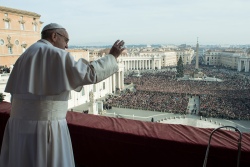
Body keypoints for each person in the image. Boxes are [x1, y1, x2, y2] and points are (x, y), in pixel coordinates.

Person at [0, 23, 125, 167]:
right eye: (66, 40)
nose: (66, 46)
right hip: (46, 128)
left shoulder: (24, 55)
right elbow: (89, 73)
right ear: (54, 36)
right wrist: (112, 56)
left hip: (18, 127)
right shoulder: (55, 54)